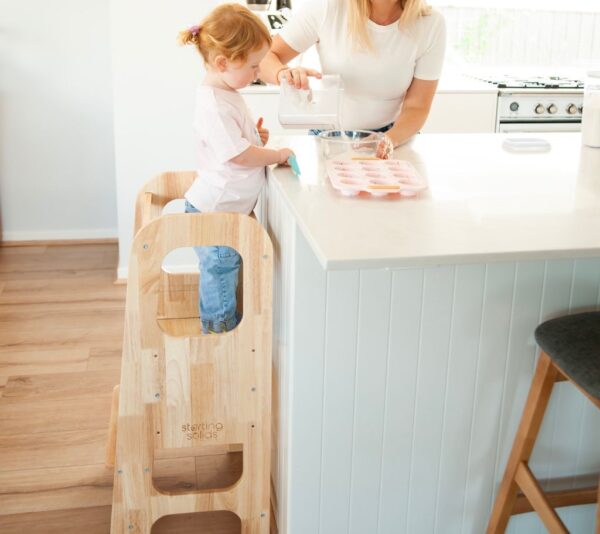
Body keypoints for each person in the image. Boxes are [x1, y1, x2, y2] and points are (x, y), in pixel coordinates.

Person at [179, 3, 294, 334]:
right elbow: (237, 156)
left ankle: (225, 330)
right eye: (254, 66)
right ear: (222, 62)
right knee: (220, 272)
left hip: (227, 209)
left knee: (227, 271)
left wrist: (255, 136)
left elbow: (237, 143)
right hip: (216, 211)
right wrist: (274, 154)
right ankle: (219, 336)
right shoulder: (214, 103)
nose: (258, 73)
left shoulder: (227, 92)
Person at [260, 0, 446, 158]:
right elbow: (263, 58)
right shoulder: (328, 7)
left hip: (393, 139)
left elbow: (417, 107)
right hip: (329, 138)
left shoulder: (431, 23)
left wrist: (388, 140)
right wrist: (282, 73)